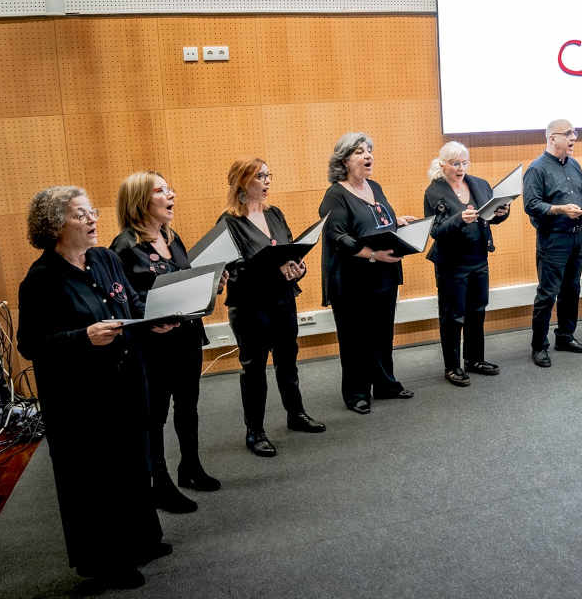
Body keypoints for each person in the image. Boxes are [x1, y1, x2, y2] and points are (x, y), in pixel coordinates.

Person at [17, 187, 173, 588]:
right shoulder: (41, 279)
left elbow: (131, 302)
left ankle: (140, 540)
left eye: (93, 212)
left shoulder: (104, 259)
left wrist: (153, 319)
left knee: (132, 464)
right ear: (54, 226)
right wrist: (82, 337)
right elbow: (31, 344)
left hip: (126, 382)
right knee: (95, 480)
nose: (93, 219)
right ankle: (103, 561)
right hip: (81, 398)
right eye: (80, 215)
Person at [110, 171, 217, 513]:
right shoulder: (124, 246)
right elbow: (124, 300)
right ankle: (160, 483)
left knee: (187, 406)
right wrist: (148, 321)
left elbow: (182, 281)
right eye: (161, 190)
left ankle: (191, 467)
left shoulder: (172, 237)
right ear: (140, 200)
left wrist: (213, 284)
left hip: (186, 337)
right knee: (154, 416)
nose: (171, 194)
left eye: (170, 188)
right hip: (152, 347)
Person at [220, 158, 325, 457]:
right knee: (254, 369)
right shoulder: (229, 222)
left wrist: (298, 269)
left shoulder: (274, 213)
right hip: (251, 305)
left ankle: (296, 414)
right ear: (243, 183)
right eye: (260, 177)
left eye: (269, 176)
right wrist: (274, 271)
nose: (267, 182)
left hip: (283, 299)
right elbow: (234, 273)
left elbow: (292, 250)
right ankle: (255, 431)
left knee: (287, 358)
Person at [318, 133, 419, 414]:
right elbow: (339, 237)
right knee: (354, 340)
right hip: (352, 280)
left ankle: (385, 385)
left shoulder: (373, 186)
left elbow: (375, 221)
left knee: (382, 335)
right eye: (360, 152)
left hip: (383, 277)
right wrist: (374, 255)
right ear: (344, 161)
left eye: (369, 150)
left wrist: (396, 221)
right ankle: (356, 393)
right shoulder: (335, 194)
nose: (368, 156)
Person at [424, 141, 510, 385]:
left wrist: (502, 213)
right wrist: (459, 219)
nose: (461, 168)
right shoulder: (434, 191)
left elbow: (490, 217)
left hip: (478, 258)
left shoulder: (479, 184)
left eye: (464, 162)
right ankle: (452, 366)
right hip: (452, 263)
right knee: (453, 316)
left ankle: (474, 359)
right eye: (455, 163)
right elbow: (436, 230)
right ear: (443, 165)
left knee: (477, 311)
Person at [524, 119, 582, 367]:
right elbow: (531, 205)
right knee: (547, 295)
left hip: (577, 236)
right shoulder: (537, 169)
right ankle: (539, 346)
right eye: (568, 134)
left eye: (574, 133)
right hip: (552, 239)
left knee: (571, 290)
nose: (573, 138)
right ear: (552, 138)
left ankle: (565, 337)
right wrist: (560, 209)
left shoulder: (575, 165)